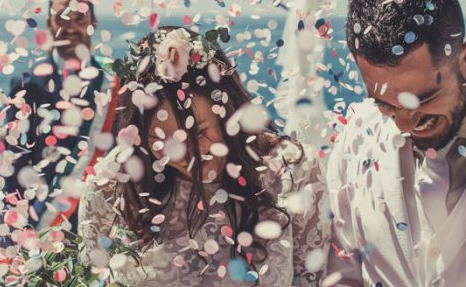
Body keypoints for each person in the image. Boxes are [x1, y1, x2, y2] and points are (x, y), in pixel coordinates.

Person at [78, 26, 330, 286]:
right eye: (161, 141)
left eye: (198, 132)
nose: (187, 156)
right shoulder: (111, 184)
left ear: (228, 111)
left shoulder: (292, 170)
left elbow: (311, 279)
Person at [326, 0, 466, 286]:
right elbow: (343, 271)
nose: (405, 123)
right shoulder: (353, 140)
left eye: (423, 98)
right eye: (384, 103)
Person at [4, 0, 119, 229]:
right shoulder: (26, 83)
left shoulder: (115, 83)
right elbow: (15, 160)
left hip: (102, 221)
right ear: (49, 22)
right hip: (44, 221)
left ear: (93, 23)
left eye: (79, 18)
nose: (70, 26)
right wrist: (13, 230)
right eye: (63, 17)